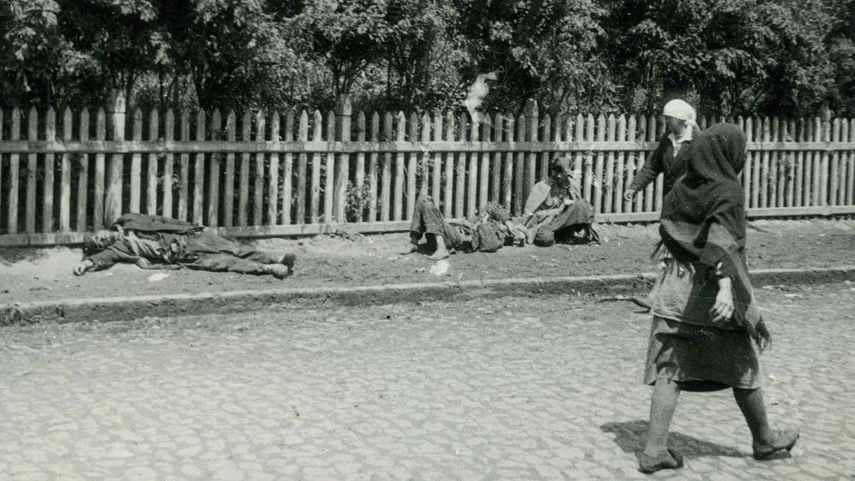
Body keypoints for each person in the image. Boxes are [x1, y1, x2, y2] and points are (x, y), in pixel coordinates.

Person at [637, 124, 798, 474]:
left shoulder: (683, 186)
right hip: (708, 294)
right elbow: (720, 241)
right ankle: (765, 440)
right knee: (743, 363)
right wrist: (726, 288)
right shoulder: (728, 190)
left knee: (670, 368)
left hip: (673, 288)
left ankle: (653, 450)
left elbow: (672, 230)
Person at [73, 213, 296, 279]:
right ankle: (270, 270)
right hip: (182, 255)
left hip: (189, 237)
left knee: (234, 248)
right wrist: (87, 263)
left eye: (99, 235)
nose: (102, 239)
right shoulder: (119, 248)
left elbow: (161, 221)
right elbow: (102, 259)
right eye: (99, 243)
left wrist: (191, 227)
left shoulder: (129, 220)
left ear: (101, 229)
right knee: (225, 262)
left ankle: (274, 258)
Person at [624, 99, 701, 202]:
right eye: (666, 118)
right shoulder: (667, 139)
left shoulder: (698, 140)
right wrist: (634, 187)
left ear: (681, 119)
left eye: (670, 118)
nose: (666, 121)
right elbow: (652, 166)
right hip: (670, 199)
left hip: (692, 201)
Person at [402, 197, 527, 259]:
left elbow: (488, 245)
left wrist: (491, 226)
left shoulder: (499, 235)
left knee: (426, 202)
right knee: (423, 199)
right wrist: (508, 222)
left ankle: (442, 249)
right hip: (445, 233)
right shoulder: (497, 218)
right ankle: (414, 242)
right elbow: (493, 206)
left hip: (457, 238)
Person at [521, 156, 598, 246]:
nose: (558, 175)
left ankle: (588, 237)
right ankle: (558, 236)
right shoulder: (541, 188)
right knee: (545, 239)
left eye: (562, 172)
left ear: (568, 173)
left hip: (564, 223)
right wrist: (558, 210)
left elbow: (582, 211)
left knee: (582, 204)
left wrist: (569, 206)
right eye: (557, 171)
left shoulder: (572, 186)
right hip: (546, 223)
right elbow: (530, 214)